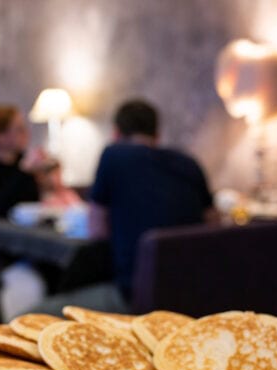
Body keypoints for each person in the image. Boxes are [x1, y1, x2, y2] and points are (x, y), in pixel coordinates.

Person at [90, 98, 214, 302]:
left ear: (116, 133)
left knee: (35, 315)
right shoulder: (190, 163)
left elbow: (97, 230)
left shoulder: (113, 155)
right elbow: (212, 223)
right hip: (195, 291)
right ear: (157, 135)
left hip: (135, 294)